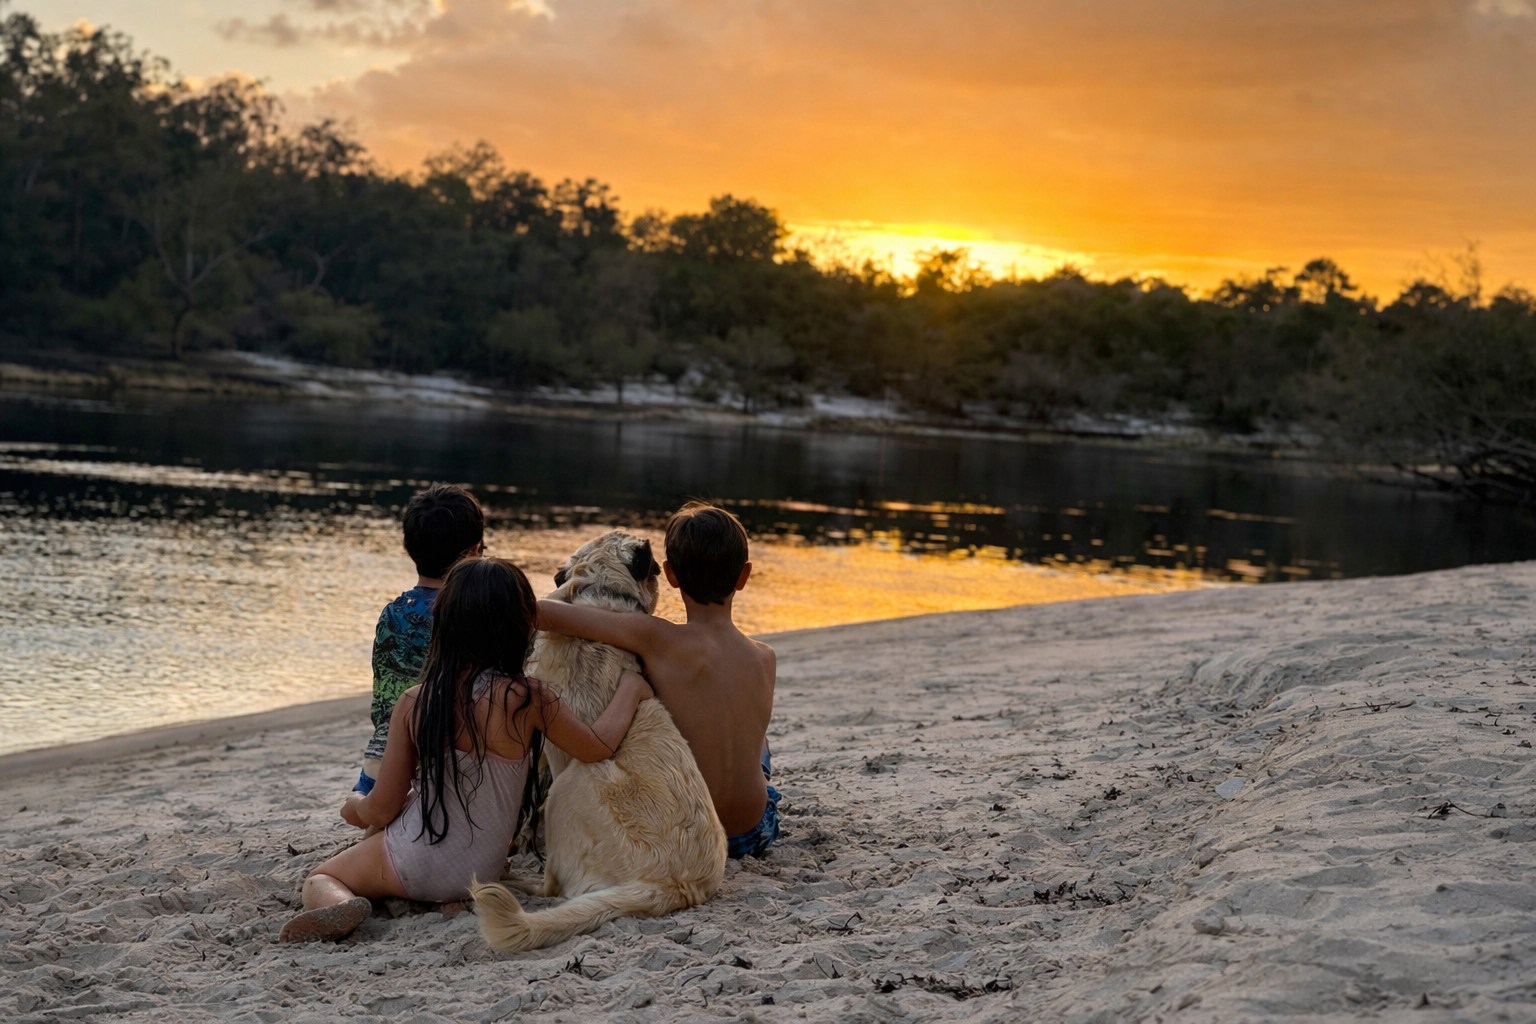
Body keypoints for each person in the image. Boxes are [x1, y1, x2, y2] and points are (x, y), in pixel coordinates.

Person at [282, 557, 653, 942]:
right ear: (523, 625)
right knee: (411, 812)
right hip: (479, 873)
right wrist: (631, 687)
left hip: (413, 864)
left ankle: (341, 903)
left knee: (323, 876)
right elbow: (597, 747)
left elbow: (382, 808)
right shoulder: (529, 698)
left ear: (444, 624)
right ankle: (447, 900)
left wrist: (355, 805)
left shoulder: (416, 702)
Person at [536, 501, 779, 858]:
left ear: (670, 574)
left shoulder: (656, 638)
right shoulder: (765, 657)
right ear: (745, 576)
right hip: (753, 831)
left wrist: (572, 587)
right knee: (760, 743)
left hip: (690, 830)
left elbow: (543, 614)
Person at [355, 484, 485, 797]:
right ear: (474, 551)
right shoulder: (474, 615)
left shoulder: (392, 613)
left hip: (378, 763)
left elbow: (384, 697)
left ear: (410, 549)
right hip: (436, 768)